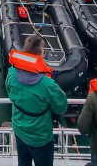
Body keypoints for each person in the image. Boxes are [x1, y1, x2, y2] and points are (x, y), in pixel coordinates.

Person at [5, 34, 69, 166]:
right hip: (40, 137)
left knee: (23, 162)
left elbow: (10, 93)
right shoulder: (48, 84)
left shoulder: (11, 73)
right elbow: (61, 108)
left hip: (19, 129)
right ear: (40, 54)